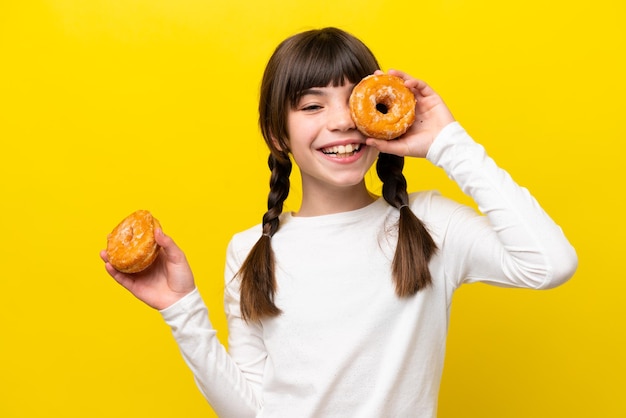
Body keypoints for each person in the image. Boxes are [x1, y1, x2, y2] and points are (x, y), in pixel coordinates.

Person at [101, 27, 578, 417]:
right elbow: (252, 411)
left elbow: (549, 264)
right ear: (276, 132)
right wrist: (181, 309)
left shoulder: (429, 223)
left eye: (353, 102)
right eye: (312, 106)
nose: (341, 122)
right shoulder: (250, 249)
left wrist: (447, 143)